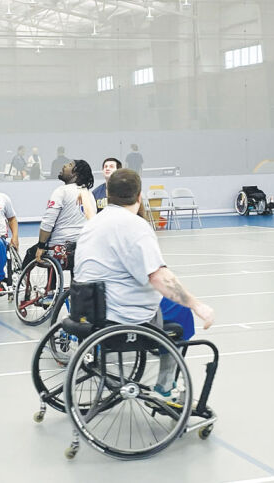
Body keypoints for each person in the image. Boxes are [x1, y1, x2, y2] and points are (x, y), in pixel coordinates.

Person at [74, 168, 214, 400]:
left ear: (107, 194)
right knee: (181, 312)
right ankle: (165, 385)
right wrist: (198, 306)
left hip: (87, 307)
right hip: (121, 315)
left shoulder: (93, 223)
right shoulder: (136, 226)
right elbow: (159, 277)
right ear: (139, 197)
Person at [23, 160, 96, 272]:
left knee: (34, 252)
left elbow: (47, 223)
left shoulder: (61, 191)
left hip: (60, 251)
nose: (64, 165)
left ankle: (22, 284)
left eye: (70, 165)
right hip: (83, 249)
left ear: (75, 174)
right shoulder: (89, 195)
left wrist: (41, 246)